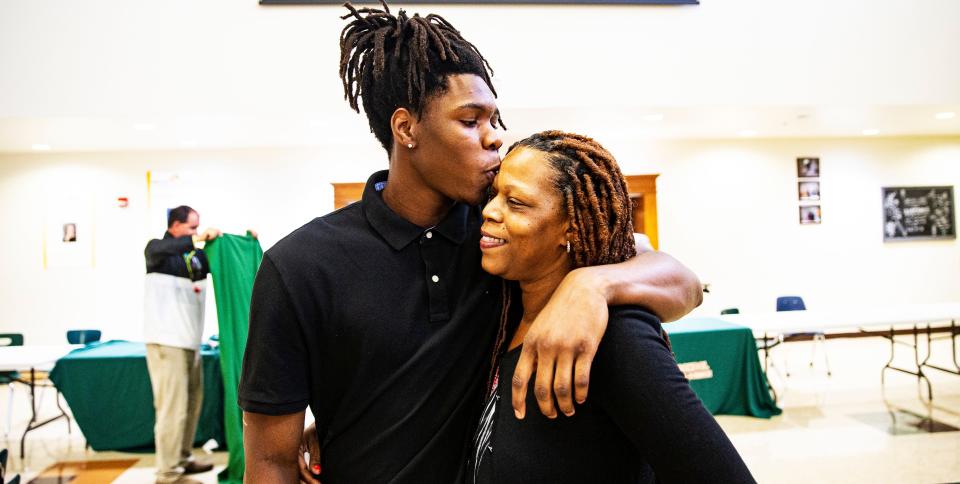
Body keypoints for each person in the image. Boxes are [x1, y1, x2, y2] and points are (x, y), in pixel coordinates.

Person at [238, 3, 703, 483]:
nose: (494, 138)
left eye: (494, 119)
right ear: (406, 128)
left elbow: (683, 284)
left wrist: (591, 287)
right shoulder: (300, 265)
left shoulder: (502, 242)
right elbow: (271, 459)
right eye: (470, 120)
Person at [470, 131, 754, 483]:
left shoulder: (613, 337)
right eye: (494, 194)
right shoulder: (504, 308)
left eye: (516, 202)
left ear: (572, 228)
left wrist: (591, 284)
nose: (489, 210)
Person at [143, 205, 218, 483]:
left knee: (191, 405)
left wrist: (243, 243)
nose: (196, 233)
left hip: (190, 342)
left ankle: (182, 458)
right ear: (175, 226)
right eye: (191, 227)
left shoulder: (195, 258)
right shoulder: (157, 251)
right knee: (172, 408)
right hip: (167, 341)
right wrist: (197, 240)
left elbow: (219, 261)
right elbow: (159, 250)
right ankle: (167, 473)